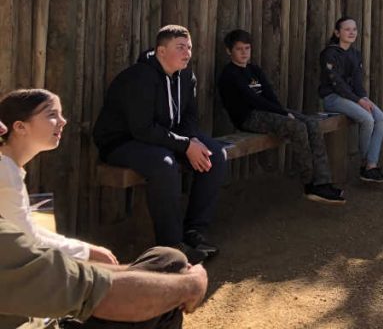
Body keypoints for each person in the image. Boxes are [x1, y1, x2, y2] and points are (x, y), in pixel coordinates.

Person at [0, 115, 208, 329]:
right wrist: (192, 285)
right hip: (47, 318)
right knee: (162, 291)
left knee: (168, 260)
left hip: (47, 311)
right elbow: (100, 296)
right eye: (51, 114)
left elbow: (62, 271)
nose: (1, 128)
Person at [92, 25, 227, 264]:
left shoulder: (186, 75)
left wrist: (191, 140)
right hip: (123, 142)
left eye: (189, 47)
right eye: (180, 47)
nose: (187, 53)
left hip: (163, 138)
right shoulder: (139, 77)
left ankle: (195, 231)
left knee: (215, 154)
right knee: (164, 165)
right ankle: (172, 246)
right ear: (161, 51)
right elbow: (141, 129)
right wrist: (185, 145)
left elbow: (189, 116)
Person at [218, 28, 345, 204]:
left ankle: (323, 181)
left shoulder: (254, 69)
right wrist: (284, 114)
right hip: (248, 117)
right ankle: (310, 184)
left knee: (311, 123)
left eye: (247, 48)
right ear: (229, 51)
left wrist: (282, 111)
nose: (244, 53)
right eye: (239, 49)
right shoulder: (229, 74)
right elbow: (252, 99)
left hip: (269, 112)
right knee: (297, 127)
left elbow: (269, 95)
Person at [0, 89, 118, 264]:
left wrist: (85, 248)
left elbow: (30, 229)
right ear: (20, 127)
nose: (63, 121)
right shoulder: (6, 171)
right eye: (52, 114)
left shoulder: (10, 168)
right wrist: (87, 252)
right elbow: (29, 242)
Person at [319, 17, 383, 183]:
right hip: (333, 98)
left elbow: (358, 83)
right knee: (367, 119)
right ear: (337, 33)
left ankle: (371, 163)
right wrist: (359, 101)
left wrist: (364, 98)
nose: (352, 32)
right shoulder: (329, 54)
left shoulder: (355, 54)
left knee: (380, 118)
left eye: (354, 29)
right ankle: (367, 166)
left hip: (353, 99)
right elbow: (337, 84)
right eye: (347, 29)